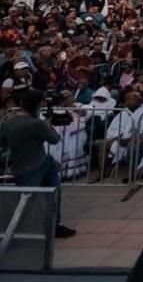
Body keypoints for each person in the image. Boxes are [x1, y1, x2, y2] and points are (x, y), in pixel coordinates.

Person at [0, 89, 76, 238]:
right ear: (37, 105)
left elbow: (3, 142)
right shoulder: (36, 123)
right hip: (38, 163)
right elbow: (54, 139)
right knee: (51, 195)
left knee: (25, 200)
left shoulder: (10, 122)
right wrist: (46, 124)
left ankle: (22, 230)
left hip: (22, 165)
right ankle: (50, 226)